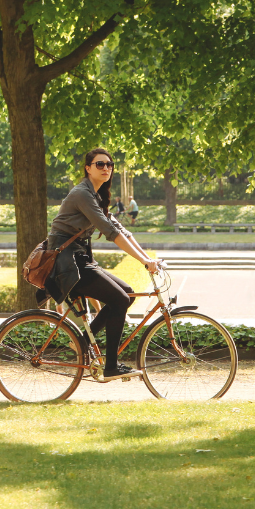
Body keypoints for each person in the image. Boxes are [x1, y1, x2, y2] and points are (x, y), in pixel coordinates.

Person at [43, 148, 160, 381]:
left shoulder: (96, 195)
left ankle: (83, 342)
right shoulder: (82, 195)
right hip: (67, 264)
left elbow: (121, 230)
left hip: (80, 260)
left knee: (127, 293)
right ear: (88, 168)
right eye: (100, 164)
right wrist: (143, 260)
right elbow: (110, 233)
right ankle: (111, 367)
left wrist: (147, 258)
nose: (106, 168)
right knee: (120, 300)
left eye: (109, 164)